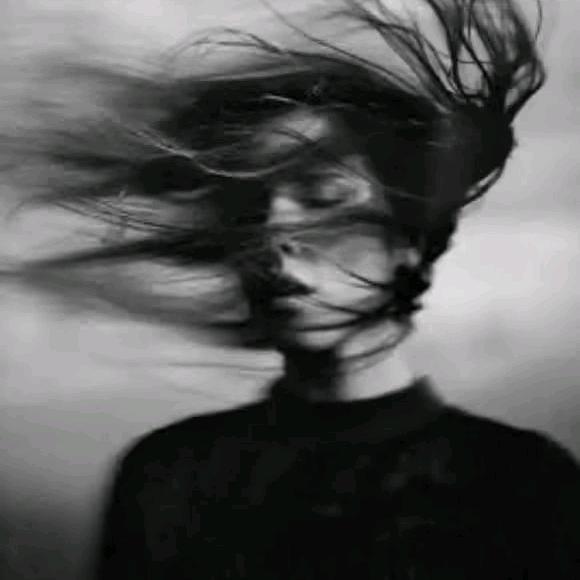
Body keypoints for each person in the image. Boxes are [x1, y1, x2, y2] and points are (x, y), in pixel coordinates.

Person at [8, 0, 580, 578]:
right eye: (247, 205)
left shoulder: (523, 483)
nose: (272, 232)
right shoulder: (165, 476)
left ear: (409, 235)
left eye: (321, 195)